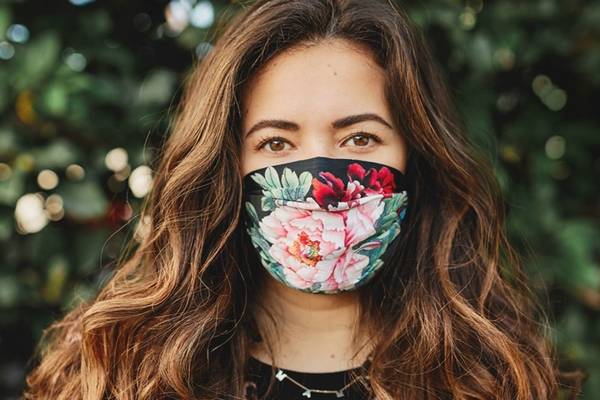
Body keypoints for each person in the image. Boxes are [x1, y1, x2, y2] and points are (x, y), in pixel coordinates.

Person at [23, 0, 574, 399]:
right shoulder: (121, 372)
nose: (318, 180)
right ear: (225, 166)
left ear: (417, 158)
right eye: (276, 143)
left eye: (360, 138)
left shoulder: (490, 376)